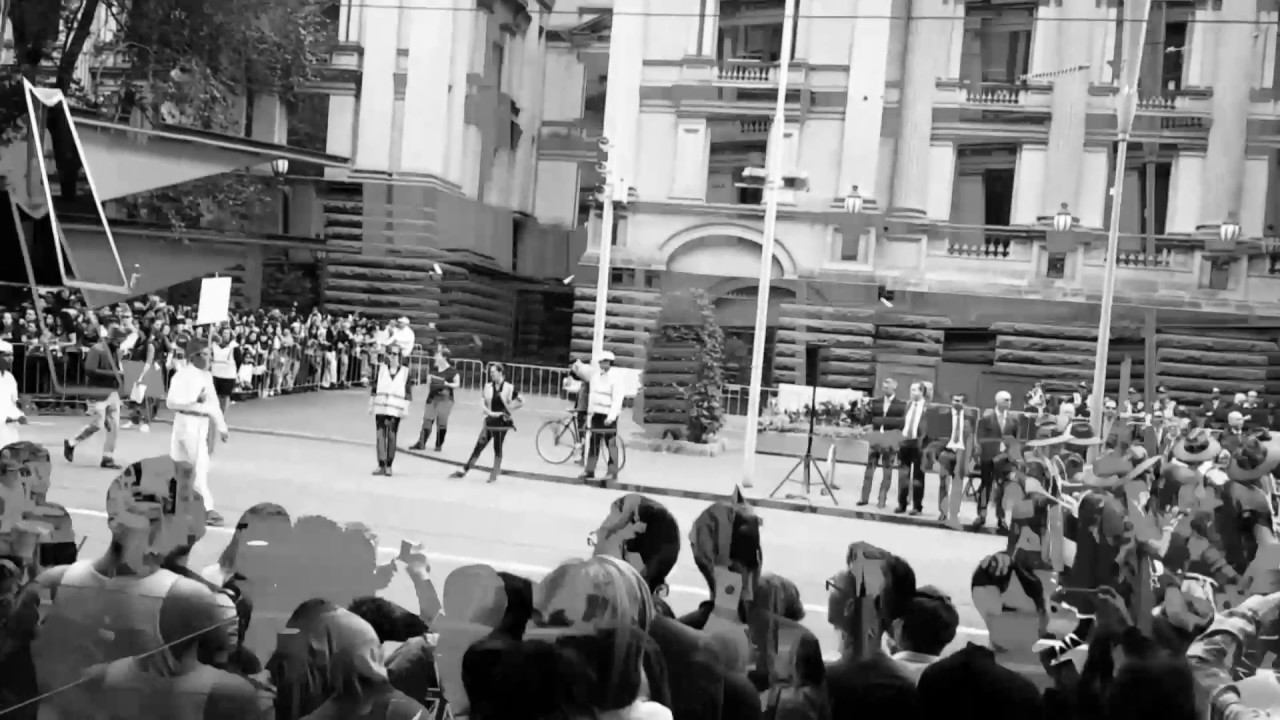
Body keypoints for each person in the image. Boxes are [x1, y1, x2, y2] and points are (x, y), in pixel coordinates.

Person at [167, 338, 229, 527]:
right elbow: (171, 402)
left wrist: (222, 426)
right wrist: (195, 398)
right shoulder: (182, 375)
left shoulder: (207, 377)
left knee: (187, 465)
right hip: (186, 422)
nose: (210, 357)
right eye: (206, 354)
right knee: (196, 465)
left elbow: (213, 405)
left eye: (210, 353)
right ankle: (205, 508)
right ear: (195, 356)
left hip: (201, 423)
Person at [63, 323, 126, 470]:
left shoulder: (116, 350)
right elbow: (90, 369)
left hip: (112, 391)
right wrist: (114, 374)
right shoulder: (96, 349)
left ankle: (107, 457)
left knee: (114, 426)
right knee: (98, 423)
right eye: (118, 340)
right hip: (97, 391)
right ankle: (72, 442)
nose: (120, 343)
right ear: (111, 338)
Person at [451, 362, 521, 483]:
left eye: (494, 372)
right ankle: (465, 469)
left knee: (497, 447)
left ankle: (494, 473)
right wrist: (488, 411)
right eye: (491, 373)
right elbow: (482, 401)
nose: (491, 375)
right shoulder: (488, 386)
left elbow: (521, 400)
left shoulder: (509, 387)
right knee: (479, 445)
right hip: (490, 420)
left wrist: (511, 409)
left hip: (502, 422)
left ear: (501, 373)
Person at [572, 351, 625, 486]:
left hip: (608, 415)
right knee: (593, 443)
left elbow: (617, 400)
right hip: (596, 414)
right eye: (601, 362)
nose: (603, 364)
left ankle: (612, 472)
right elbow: (592, 396)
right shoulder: (596, 376)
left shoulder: (616, 378)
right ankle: (589, 470)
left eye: (605, 362)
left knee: (610, 444)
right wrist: (590, 413)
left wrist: (612, 416)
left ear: (610, 363)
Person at [973, 390, 1018, 532]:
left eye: (1010, 400)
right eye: (1006, 400)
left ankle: (1001, 518)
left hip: (1004, 460)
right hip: (988, 458)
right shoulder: (986, 419)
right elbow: (980, 439)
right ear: (997, 401)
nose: (1009, 403)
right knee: (985, 486)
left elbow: (1015, 441)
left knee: (1002, 490)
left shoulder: (1013, 420)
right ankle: (981, 514)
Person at [370, 347, 413, 476]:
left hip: (395, 408)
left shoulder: (405, 372)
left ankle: (389, 464)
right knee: (380, 436)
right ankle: (381, 464)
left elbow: (408, 392)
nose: (392, 356)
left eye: (395, 354)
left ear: (399, 356)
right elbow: (374, 386)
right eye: (390, 353)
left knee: (392, 436)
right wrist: (370, 404)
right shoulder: (381, 369)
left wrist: (406, 407)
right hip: (381, 406)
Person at [409, 345, 459, 452]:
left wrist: (446, 384)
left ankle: (438, 444)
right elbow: (428, 380)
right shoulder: (434, 369)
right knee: (427, 420)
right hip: (432, 397)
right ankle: (421, 443)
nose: (436, 356)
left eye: (438, 355)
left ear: (444, 357)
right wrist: (430, 380)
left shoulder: (452, 371)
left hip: (445, 398)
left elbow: (457, 384)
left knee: (442, 422)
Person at [0, 341, 26, 449]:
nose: (10, 358)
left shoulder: (9, 377)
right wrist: (6, 418)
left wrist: (19, 415)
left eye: (12, 355)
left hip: (9, 430)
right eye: (6, 355)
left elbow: (12, 403)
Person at [210, 326, 239, 414]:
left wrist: (236, 373)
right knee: (215, 396)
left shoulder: (234, 346)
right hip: (215, 374)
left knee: (224, 396)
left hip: (228, 375)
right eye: (224, 333)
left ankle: (222, 415)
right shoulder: (214, 345)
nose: (225, 335)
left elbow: (239, 360)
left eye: (227, 334)